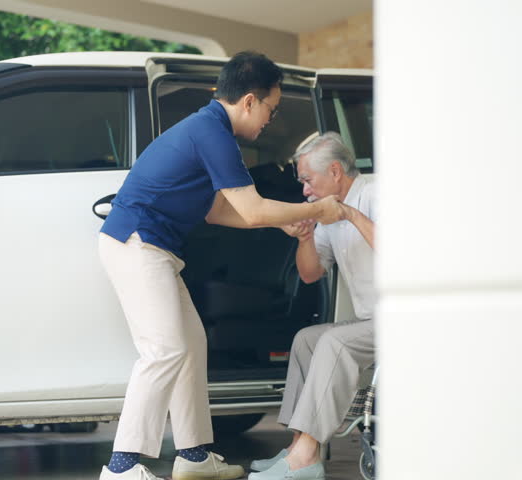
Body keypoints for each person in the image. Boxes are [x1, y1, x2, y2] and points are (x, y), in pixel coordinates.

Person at [97, 52, 346, 480]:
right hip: (137, 243)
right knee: (164, 350)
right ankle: (122, 468)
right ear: (249, 101)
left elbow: (217, 210)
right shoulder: (212, 133)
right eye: (271, 108)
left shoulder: (209, 129)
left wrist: (282, 224)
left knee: (191, 344)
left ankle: (194, 457)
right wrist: (318, 209)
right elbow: (252, 210)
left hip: (154, 248)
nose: (270, 119)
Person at [249, 132, 376, 480]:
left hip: (400, 319)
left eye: (308, 180)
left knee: (334, 342)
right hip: (369, 321)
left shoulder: (375, 195)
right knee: (307, 339)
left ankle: (305, 458)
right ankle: (300, 449)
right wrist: (305, 237)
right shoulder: (327, 215)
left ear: (335, 171)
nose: (304, 191)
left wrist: (349, 214)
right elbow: (309, 274)